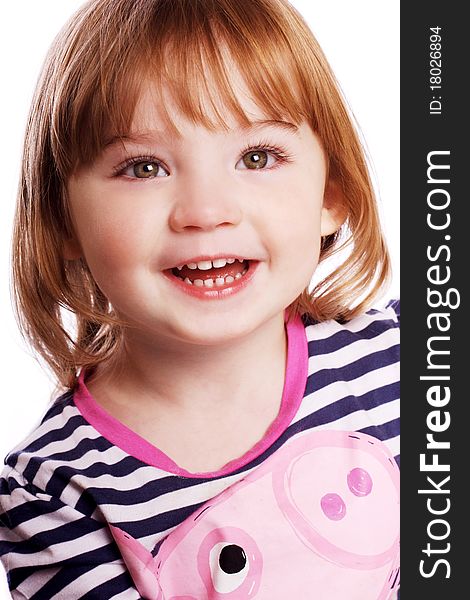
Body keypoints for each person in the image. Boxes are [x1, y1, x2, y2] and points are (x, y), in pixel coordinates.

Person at [0, 0, 399, 598]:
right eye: (144, 168)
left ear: (331, 195)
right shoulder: (53, 489)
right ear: (61, 222)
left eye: (257, 157)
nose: (207, 212)